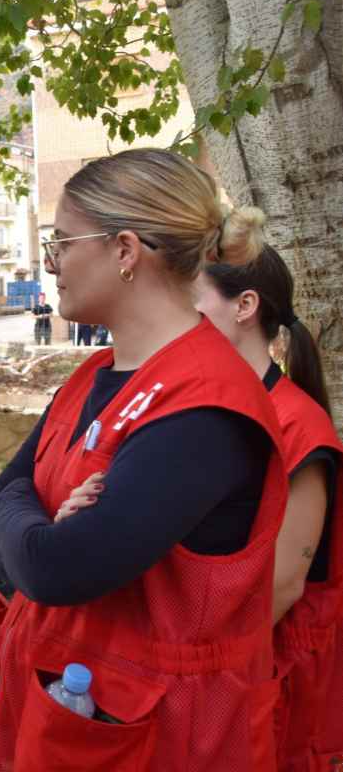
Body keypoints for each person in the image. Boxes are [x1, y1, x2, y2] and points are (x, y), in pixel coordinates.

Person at [0, 149, 287, 770]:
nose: (51, 263)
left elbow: (57, 570)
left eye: (62, 242)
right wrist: (36, 526)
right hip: (61, 715)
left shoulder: (205, 406)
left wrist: (35, 527)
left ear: (124, 250)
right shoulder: (91, 375)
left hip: (161, 737)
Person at [195, 246, 343, 770]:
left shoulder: (299, 427)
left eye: (195, 301)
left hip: (266, 683)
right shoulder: (207, 407)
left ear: (245, 306)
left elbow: (283, 585)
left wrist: (188, 663)